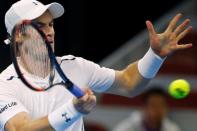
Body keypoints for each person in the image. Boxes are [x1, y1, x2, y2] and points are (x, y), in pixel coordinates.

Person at [0, 0, 192, 131]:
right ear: (18, 34)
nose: (49, 32)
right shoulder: (4, 85)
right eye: (40, 26)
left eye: (50, 24)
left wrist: (155, 56)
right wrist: (73, 110)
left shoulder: (76, 66)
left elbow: (129, 83)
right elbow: (20, 128)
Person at [113, 87, 181, 131]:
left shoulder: (173, 129)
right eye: (153, 105)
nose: (158, 109)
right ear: (144, 108)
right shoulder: (126, 128)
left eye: (161, 105)